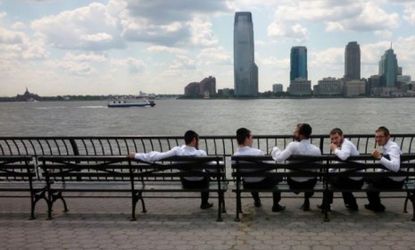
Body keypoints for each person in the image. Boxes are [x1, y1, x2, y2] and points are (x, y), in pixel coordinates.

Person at [128, 130, 213, 209]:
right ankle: (204, 203)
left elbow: (157, 156)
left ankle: (204, 201)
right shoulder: (201, 153)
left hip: (186, 183)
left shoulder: (177, 151)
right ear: (194, 140)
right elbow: (212, 166)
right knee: (207, 173)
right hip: (201, 184)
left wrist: (136, 155)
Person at [271, 123, 321, 211]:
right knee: (311, 176)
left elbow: (279, 158)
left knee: (277, 177)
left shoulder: (293, 145)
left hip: (294, 183)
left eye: (296, 131)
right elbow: (318, 166)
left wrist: (275, 149)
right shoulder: (316, 150)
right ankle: (306, 201)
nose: (294, 133)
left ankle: (276, 204)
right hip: (309, 184)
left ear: (301, 135)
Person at [233, 128, 285, 212]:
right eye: (251, 138)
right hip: (263, 183)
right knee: (278, 177)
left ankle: (257, 201)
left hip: (248, 184)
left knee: (252, 177)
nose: (252, 140)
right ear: (246, 139)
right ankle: (276, 205)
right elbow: (271, 166)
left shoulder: (235, 156)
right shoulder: (257, 152)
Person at [319, 128, 362, 211]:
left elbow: (343, 157)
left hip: (355, 181)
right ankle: (351, 204)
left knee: (329, 179)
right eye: (332, 139)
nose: (334, 141)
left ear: (342, 136)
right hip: (355, 178)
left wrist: (335, 149)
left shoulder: (346, 145)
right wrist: (330, 170)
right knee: (335, 178)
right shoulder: (344, 145)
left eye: (336, 138)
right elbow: (339, 162)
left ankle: (326, 205)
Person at [365, 126, 404, 212]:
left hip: (396, 181)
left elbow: (395, 167)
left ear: (388, 136)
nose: (377, 139)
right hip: (394, 177)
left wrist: (379, 157)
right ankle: (375, 205)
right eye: (376, 137)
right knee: (370, 180)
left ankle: (377, 206)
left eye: (380, 137)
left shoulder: (393, 147)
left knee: (369, 182)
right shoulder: (388, 146)